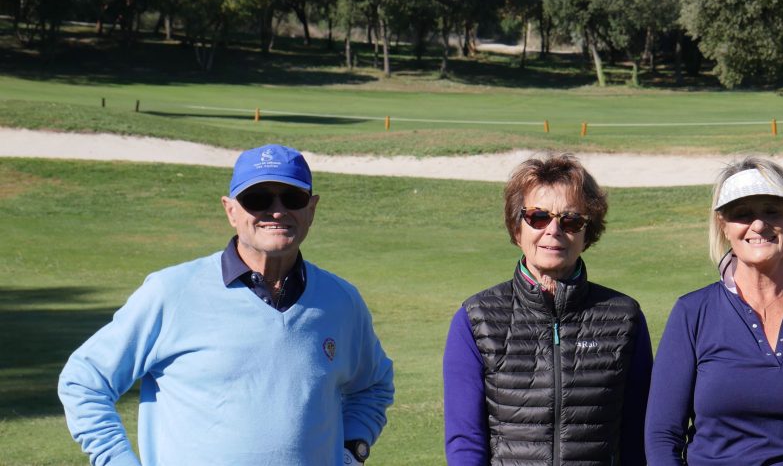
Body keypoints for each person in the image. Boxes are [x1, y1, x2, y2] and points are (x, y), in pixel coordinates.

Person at [58, 144, 395, 466]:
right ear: (231, 210)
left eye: (292, 197)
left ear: (311, 209)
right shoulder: (171, 291)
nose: (277, 210)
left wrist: (353, 449)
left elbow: (373, 386)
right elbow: (84, 380)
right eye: (257, 198)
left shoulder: (341, 301)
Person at [645, 157, 783, 466]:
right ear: (723, 226)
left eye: (772, 211)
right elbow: (662, 436)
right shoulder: (692, 312)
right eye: (743, 214)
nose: (759, 225)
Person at [442, 153, 653, 466]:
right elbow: (465, 442)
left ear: (587, 233)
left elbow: (638, 438)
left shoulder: (624, 318)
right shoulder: (476, 319)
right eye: (538, 217)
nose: (554, 230)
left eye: (571, 220)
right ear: (517, 228)